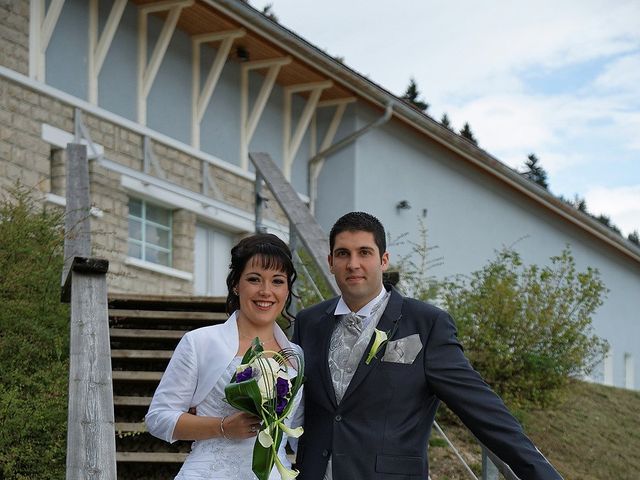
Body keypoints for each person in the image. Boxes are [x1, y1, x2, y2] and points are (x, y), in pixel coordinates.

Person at [293, 211, 563, 480]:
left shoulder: (427, 324)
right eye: (343, 254)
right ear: (330, 262)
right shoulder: (309, 322)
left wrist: (540, 474)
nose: (353, 264)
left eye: (364, 252)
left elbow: (482, 409)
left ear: (383, 260)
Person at [146, 233, 303, 479]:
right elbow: (158, 418)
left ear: (287, 289)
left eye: (277, 281)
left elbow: (298, 429)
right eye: (254, 279)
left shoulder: (295, 355)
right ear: (235, 284)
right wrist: (222, 427)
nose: (266, 291)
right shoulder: (200, 342)